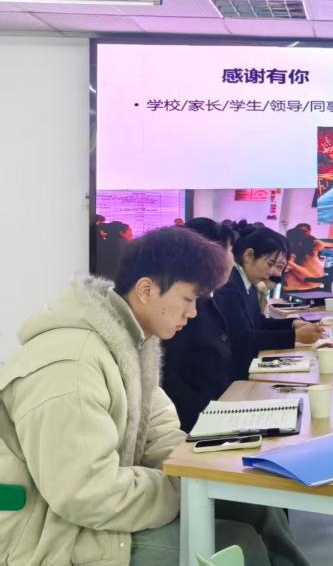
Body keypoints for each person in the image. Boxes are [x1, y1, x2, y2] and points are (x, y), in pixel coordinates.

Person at [0, 227, 309, 566]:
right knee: (240, 543)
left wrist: (211, 472)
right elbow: (85, 493)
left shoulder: (132, 343)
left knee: (257, 504)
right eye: (188, 299)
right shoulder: (71, 363)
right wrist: (186, 487)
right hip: (54, 535)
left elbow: (162, 436)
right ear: (146, 290)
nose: (193, 313)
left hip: (102, 510)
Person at [161, 218, 238, 433]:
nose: (233, 259)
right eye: (230, 250)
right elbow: (168, 375)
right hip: (193, 424)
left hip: (215, 411)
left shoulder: (208, 296)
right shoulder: (181, 305)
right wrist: (209, 416)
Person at [217, 224, 320, 381]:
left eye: (278, 267)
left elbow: (258, 322)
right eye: (270, 264)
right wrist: (295, 336)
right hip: (236, 376)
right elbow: (243, 339)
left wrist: (292, 324)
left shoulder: (248, 282)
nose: (274, 273)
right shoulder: (230, 287)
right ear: (249, 256)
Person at [284, 225, 329, 292]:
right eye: (302, 230)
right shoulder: (294, 247)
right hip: (309, 282)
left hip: (309, 283)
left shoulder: (311, 243)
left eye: (306, 230)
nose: (305, 232)